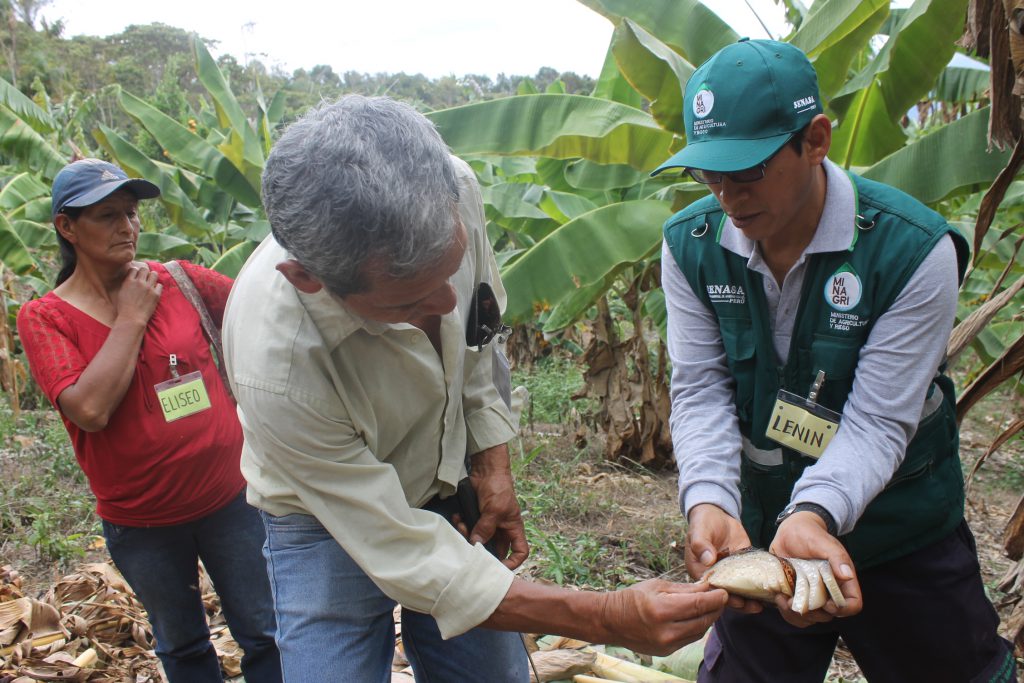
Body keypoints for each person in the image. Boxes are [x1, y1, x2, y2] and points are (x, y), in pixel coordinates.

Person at [221, 94, 729, 682]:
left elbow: (480, 334)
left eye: (448, 275)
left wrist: (491, 461)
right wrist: (605, 616)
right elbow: (401, 548)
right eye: (410, 303)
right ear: (309, 279)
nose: (445, 307)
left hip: (444, 475)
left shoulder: (451, 186)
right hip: (325, 516)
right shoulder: (275, 361)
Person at [653, 38, 1017, 683]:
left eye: (749, 171)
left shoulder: (911, 251)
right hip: (760, 532)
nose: (728, 198)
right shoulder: (693, 246)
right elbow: (702, 388)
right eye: (709, 175)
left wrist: (812, 513)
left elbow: (879, 419)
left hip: (900, 530)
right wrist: (708, 499)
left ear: (815, 140)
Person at [17, 159, 282, 683]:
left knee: (266, 633)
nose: (127, 227)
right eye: (107, 215)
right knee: (183, 646)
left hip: (231, 499)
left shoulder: (180, 281)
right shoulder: (45, 317)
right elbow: (89, 410)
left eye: (132, 213)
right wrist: (133, 314)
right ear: (67, 228)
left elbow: (269, 308)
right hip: (142, 522)